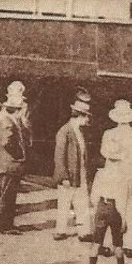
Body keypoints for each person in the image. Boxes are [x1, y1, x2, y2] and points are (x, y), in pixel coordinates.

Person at [86, 134, 132, 264]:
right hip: (115, 209)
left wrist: (97, 209)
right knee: (117, 242)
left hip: (102, 206)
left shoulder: (100, 173)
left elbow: (93, 196)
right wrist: (123, 221)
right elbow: (122, 201)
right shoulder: (123, 177)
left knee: (97, 241)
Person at [102, 99, 132, 233]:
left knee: (114, 207)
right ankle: (129, 245)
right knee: (131, 207)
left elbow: (104, 153)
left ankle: (115, 244)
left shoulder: (109, 134)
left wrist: (118, 157)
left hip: (115, 175)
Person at [0, 82, 31, 235]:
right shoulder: (7, 121)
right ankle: (3, 225)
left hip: (9, 164)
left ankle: (7, 223)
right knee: (7, 196)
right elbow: (7, 142)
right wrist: (20, 156)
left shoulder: (10, 119)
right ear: (17, 109)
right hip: (9, 164)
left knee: (9, 195)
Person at [52, 97, 92, 239]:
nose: (88, 119)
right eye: (86, 116)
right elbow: (59, 157)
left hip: (79, 174)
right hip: (69, 176)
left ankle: (84, 232)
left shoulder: (79, 131)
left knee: (82, 203)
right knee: (64, 203)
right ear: (79, 116)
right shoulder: (65, 131)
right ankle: (60, 231)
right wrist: (63, 177)